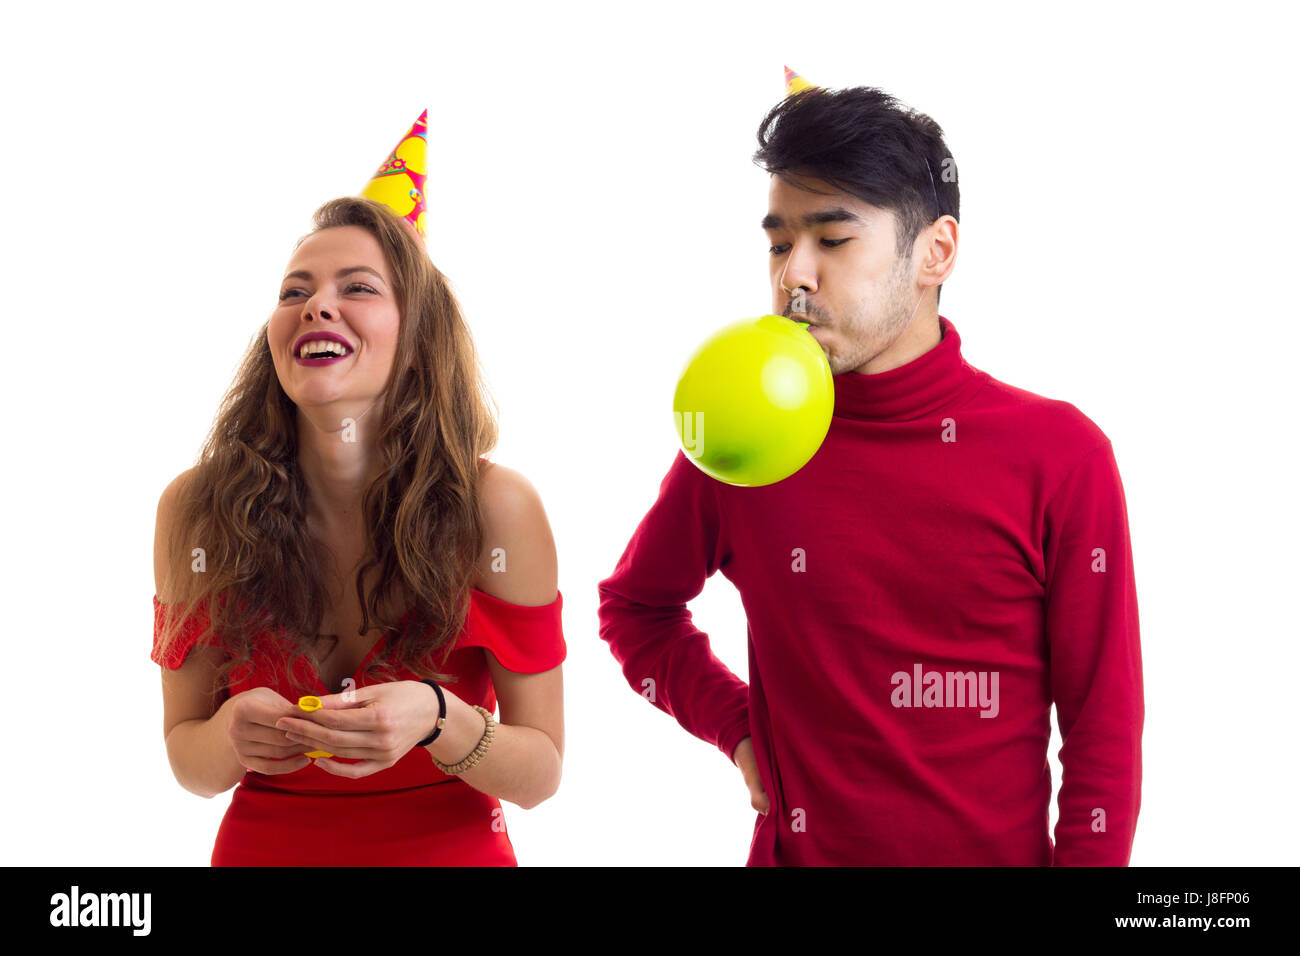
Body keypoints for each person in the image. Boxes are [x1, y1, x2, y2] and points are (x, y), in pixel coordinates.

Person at [597, 81, 1144, 865]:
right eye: (780, 243)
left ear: (936, 251)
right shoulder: (744, 439)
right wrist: (743, 729)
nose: (795, 275)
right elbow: (637, 607)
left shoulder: (1060, 454)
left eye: (833, 238)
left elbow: (1104, 733)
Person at [152, 195, 565, 866]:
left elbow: (541, 773)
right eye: (295, 291)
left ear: (416, 344)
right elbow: (187, 760)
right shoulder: (196, 510)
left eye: (358, 288)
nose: (316, 305)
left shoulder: (498, 507)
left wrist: (438, 717)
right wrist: (230, 732)